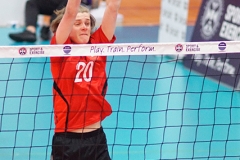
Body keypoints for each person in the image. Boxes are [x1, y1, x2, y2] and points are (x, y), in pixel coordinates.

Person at [49, 0, 121, 159]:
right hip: (68, 141)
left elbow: (113, 8)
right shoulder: (60, 49)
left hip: (97, 139)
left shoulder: (98, 45)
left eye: (88, 23)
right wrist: (72, 15)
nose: (84, 27)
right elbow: (70, 12)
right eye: (78, 23)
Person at [8, 0, 100, 43]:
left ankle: (49, 27)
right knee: (31, 3)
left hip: (79, 3)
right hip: (59, 3)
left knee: (66, 3)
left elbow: (95, 3)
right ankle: (30, 31)